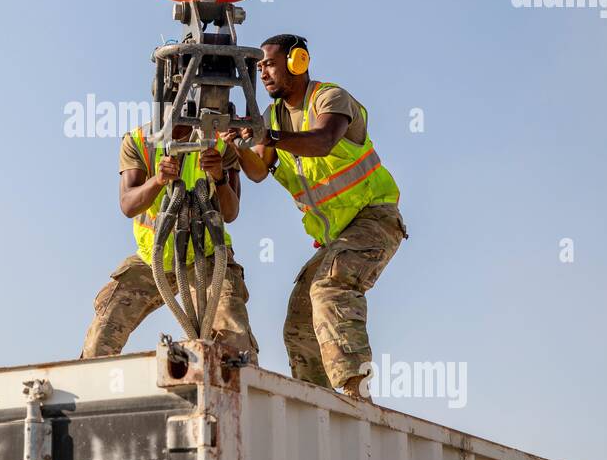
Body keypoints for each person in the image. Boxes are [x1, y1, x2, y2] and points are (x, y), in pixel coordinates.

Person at [223, 34, 406, 402]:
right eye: (259, 68)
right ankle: (318, 404)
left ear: (298, 62)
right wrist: (236, 147)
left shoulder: (329, 99)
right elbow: (259, 170)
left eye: (270, 65)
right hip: (339, 237)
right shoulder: (273, 116)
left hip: (375, 219)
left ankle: (356, 391)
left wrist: (268, 136)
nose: (264, 74)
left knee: (330, 286)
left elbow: (323, 140)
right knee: (300, 318)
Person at [80, 119, 259, 358]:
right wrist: (158, 180)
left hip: (205, 255)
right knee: (101, 336)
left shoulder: (220, 140)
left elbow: (230, 212)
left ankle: (236, 391)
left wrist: (219, 176)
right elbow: (128, 205)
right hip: (154, 257)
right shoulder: (139, 140)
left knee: (234, 344)